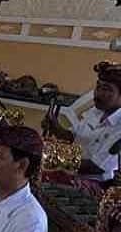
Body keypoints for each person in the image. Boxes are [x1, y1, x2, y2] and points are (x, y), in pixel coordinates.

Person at [43, 61, 121, 194]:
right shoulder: (95, 112)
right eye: (98, 87)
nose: (98, 93)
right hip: (74, 173)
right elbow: (74, 137)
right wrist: (56, 128)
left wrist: (55, 161)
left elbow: (96, 167)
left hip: (97, 185)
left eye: (107, 89)